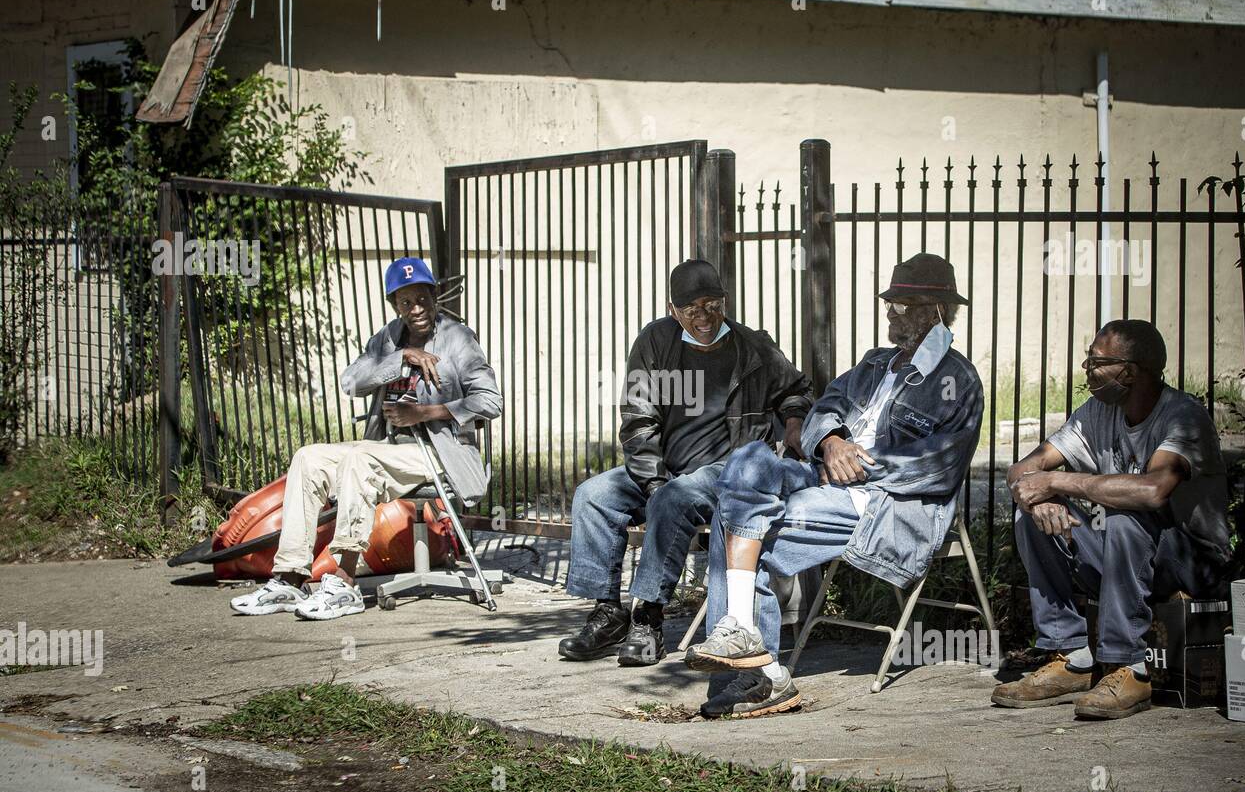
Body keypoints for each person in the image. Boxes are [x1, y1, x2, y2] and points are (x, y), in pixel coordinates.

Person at [685, 253, 983, 718]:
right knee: (747, 462)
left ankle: (761, 678)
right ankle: (745, 637)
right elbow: (823, 409)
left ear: (936, 312)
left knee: (741, 532)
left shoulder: (958, 381)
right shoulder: (874, 363)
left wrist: (858, 464)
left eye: (903, 306)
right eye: (890, 303)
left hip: (883, 500)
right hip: (825, 478)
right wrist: (830, 442)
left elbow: (940, 466)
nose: (890, 313)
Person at [559, 259, 813, 666]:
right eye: (690, 308)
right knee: (593, 495)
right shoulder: (656, 342)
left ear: (724, 302)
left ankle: (649, 619)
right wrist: (654, 485)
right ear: (672, 309)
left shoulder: (753, 346)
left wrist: (796, 423)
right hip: (664, 466)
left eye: (711, 305)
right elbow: (638, 422)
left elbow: (796, 389)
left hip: (728, 471)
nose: (703, 316)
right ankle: (608, 613)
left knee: (674, 498)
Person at [230, 257, 502, 621]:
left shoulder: (458, 339)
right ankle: (290, 577)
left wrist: (424, 413)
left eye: (423, 298)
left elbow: (490, 401)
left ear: (435, 296)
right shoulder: (388, 338)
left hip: (441, 452)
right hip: (391, 448)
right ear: (395, 306)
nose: (416, 309)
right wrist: (401, 356)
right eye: (406, 302)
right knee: (308, 458)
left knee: (361, 461)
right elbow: (350, 381)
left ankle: (344, 582)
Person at [992, 319, 1230, 719]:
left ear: (1129, 371)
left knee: (1125, 517)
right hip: (1127, 558)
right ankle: (1072, 658)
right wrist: (1039, 501)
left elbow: (1153, 491)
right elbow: (1023, 470)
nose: (1087, 370)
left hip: (1191, 563)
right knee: (1028, 518)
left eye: (1096, 362)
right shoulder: (1098, 412)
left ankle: (1129, 668)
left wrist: (1059, 481)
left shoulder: (1183, 417)